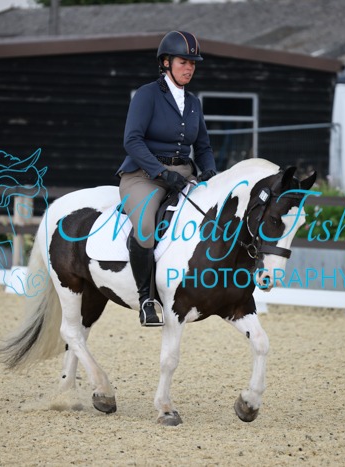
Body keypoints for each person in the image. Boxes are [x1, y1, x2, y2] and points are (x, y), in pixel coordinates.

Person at [117, 31, 218, 327]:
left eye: (193, 63)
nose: (189, 68)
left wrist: (209, 172)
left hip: (183, 175)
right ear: (165, 63)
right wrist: (161, 173)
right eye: (183, 62)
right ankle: (146, 300)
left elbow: (203, 147)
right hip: (143, 175)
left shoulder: (193, 102)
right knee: (146, 227)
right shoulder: (147, 95)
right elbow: (132, 140)